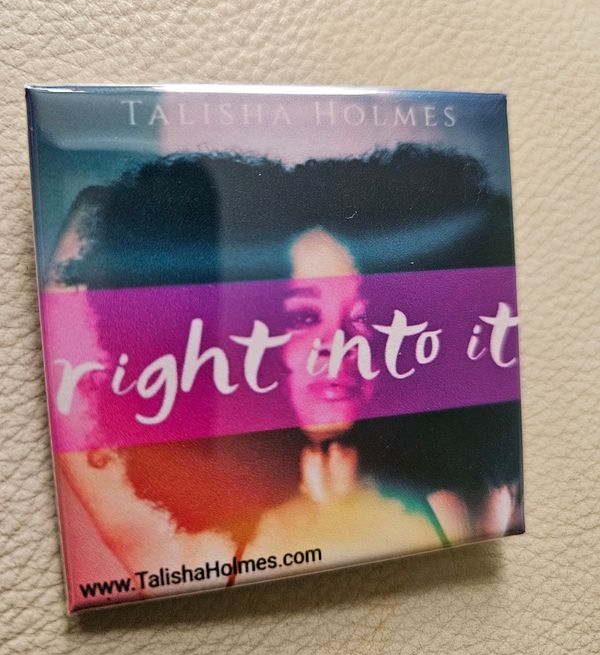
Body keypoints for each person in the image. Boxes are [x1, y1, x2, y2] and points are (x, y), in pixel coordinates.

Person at [49, 146, 522, 595]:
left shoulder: (454, 505)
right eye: (303, 317)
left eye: (363, 319)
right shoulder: (198, 548)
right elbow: (72, 307)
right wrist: (191, 199)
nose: (339, 345)